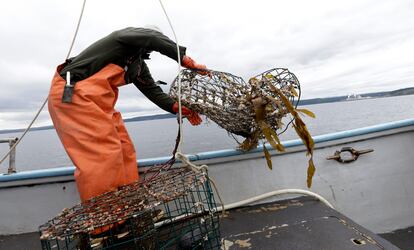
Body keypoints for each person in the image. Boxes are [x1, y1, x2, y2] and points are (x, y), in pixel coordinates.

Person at [48, 26, 206, 202]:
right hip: (72, 94)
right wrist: (184, 59)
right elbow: (152, 36)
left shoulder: (137, 65)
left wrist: (176, 107)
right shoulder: (121, 38)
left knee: (125, 149)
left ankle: (129, 205)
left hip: (97, 103)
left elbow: (152, 90)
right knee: (103, 156)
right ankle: (104, 223)